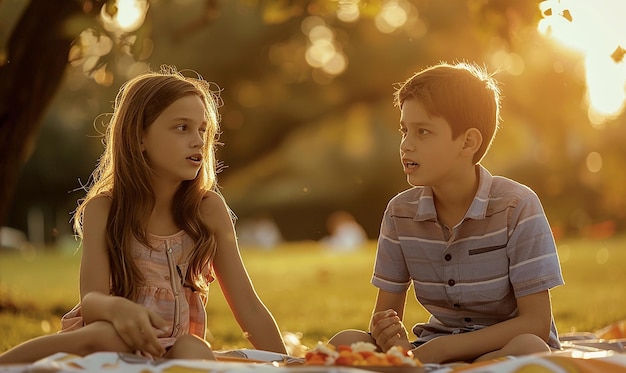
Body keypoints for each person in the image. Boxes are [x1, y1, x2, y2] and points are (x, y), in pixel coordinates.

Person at [0, 66, 287, 364]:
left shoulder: (208, 210)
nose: (198, 140)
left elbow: (249, 308)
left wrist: (287, 365)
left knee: (194, 347)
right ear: (139, 138)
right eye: (182, 127)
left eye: (202, 129)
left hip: (171, 355)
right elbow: (92, 301)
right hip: (110, 348)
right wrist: (118, 311)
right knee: (110, 335)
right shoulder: (106, 208)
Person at [328, 61, 564, 364]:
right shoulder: (400, 213)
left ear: (468, 142)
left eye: (423, 132)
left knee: (530, 349)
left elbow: (536, 323)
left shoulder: (517, 206)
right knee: (345, 341)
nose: (406, 145)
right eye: (404, 130)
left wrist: (440, 351)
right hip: (432, 347)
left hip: (501, 351)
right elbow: (385, 316)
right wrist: (390, 336)